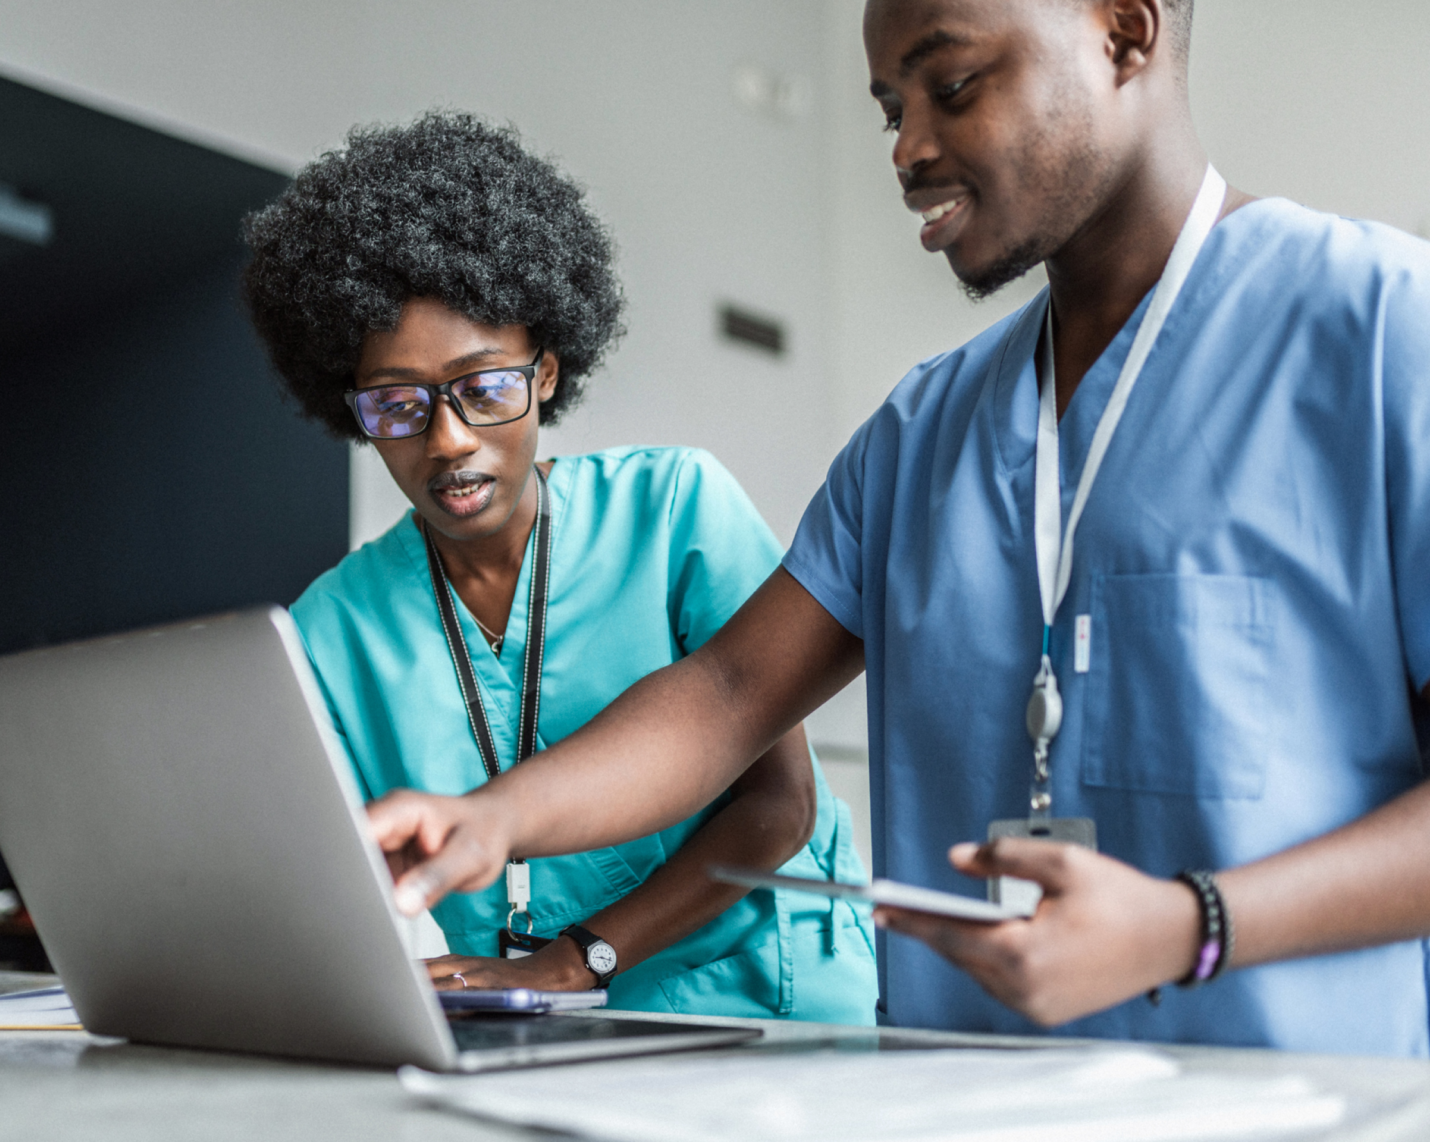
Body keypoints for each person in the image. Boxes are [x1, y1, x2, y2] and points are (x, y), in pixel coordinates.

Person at [365, 0, 1430, 1056]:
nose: (910, 149)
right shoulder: (922, 428)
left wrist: (1189, 924)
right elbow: (729, 693)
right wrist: (494, 818)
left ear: (1124, 31)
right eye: (889, 112)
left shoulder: (1382, 329)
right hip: (952, 1098)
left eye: (953, 85)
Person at [240, 112, 877, 1024]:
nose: (448, 440)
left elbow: (780, 809)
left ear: (545, 372)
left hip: (756, 998)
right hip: (520, 1023)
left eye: (485, 388)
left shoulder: (673, 510)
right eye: (398, 405)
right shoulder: (330, 627)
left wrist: (582, 958)